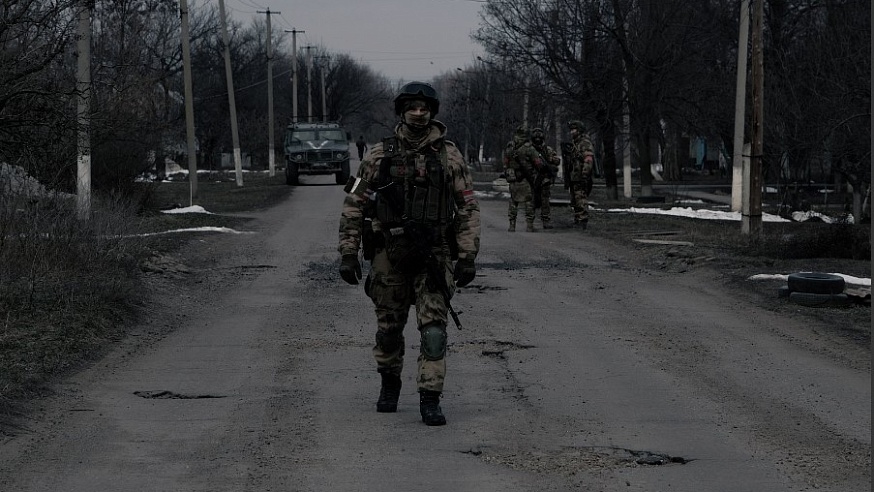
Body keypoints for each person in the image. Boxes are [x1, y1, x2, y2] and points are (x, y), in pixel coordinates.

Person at [337, 81, 481, 426]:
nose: (419, 113)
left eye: (424, 107)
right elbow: (354, 203)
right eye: (412, 107)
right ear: (402, 111)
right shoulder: (378, 154)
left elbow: (467, 207)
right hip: (389, 252)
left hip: (434, 252)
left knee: (433, 331)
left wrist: (468, 255)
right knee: (388, 329)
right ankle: (389, 384)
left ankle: (430, 399)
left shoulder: (449, 154)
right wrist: (347, 251)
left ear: (432, 112)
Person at [503, 125, 542, 232]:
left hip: (513, 178)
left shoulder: (510, 147)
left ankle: (512, 225)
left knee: (513, 201)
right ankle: (529, 226)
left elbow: (505, 162)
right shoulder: (529, 148)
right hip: (526, 179)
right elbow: (538, 163)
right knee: (529, 201)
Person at [567, 120, 595, 229]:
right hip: (574, 175)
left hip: (581, 176)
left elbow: (588, 159)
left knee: (581, 198)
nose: (571, 132)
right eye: (571, 130)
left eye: (574, 130)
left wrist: (585, 174)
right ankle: (578, 218)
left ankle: (583, 220)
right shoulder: (576, 143)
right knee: (575, 199)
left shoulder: (584, 143)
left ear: (579, 130)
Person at [530, 127, 560, 229]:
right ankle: (530, 221)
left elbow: (556, 161)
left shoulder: (547, 149)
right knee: (532, 200)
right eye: (536, 137)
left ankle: (546, 220)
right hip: (532, 178)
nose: (538, 139)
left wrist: (551, 162)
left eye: (539, 137)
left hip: (544, 178)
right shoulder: (530, 150)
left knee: (545, 200)